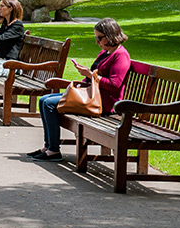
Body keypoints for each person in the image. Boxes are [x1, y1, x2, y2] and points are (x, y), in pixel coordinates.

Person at [28, 18, 130, 162]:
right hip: (92, 95)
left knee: (49, 104)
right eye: (96, 38)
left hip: (104, 102)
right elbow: (93, 77)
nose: (97, 42)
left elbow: (115, 85)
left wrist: (90, 75)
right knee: (44, 99)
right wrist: (82, 81)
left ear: (110, 35)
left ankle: (53, 150)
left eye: (99, 38)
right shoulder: (105, 52)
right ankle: (48, 146)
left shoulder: (121, 55)